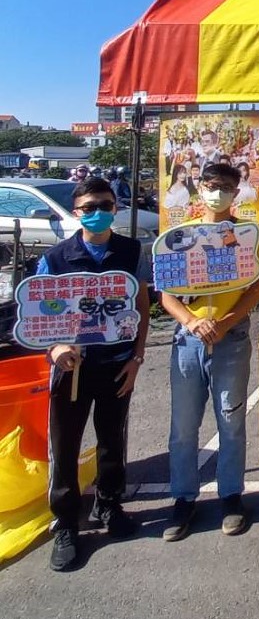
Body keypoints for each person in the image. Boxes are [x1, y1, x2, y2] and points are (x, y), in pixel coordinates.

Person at [37, 178, 150, 571]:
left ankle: (109, 503)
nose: (97, 212)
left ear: (115, 207)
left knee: (112, 439)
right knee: (65, 444)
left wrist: (136, 358)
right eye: (89, 207)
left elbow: (141, 305)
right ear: (76, 212)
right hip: (71, 368)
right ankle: (67, 522)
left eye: (104, 205)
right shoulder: (56, 258)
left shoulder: (131, 251)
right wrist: (56, 349)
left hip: (117, 363)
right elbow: (35, 313)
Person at [161, 163, 259, 542]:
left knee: (231, 418)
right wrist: (192, 322)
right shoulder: (181, 235)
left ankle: (231, 496)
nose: (217, 192)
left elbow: (258, 286)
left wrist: (225, 323)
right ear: (200, 187)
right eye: (211, 185)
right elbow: (166, 294)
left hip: (232, 337)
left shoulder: (248, 234)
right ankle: (183, 498)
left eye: (226, 186)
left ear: (236, 191)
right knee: (183, 425)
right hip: (188, 339)